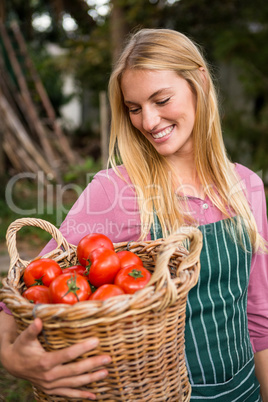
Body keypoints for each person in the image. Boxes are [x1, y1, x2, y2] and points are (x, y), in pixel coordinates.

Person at [0, 28, 268, 401]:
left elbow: (258, 315)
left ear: (199, 82)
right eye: (135, 108)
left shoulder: (246, 185)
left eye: (161, 100)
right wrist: (12, 359)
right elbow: (30, 286)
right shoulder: (117, 189)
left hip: (244, 390)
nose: (149, 121)